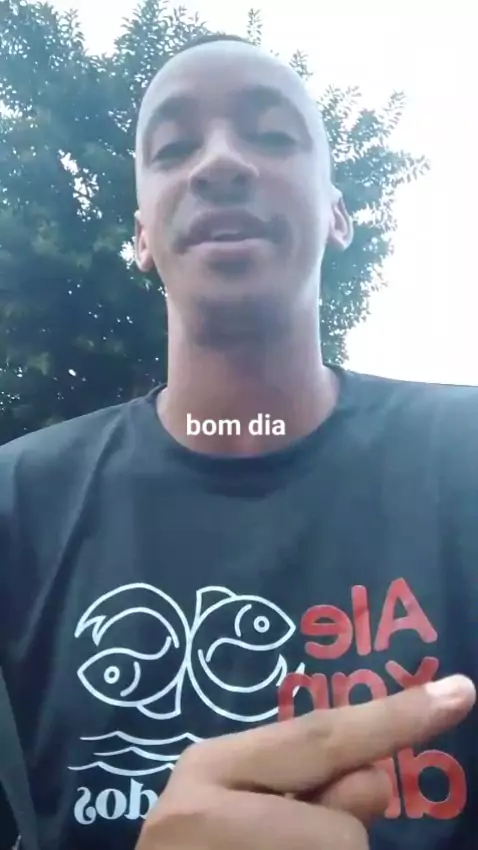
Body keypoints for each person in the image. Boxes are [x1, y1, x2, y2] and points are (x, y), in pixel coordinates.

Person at [0, 32, 477, 850]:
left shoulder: (464, 455)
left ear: (337, 213)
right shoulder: (17, 506)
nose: (218, 163)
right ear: (142, 235)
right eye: (173, 148)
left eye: (274, 135)